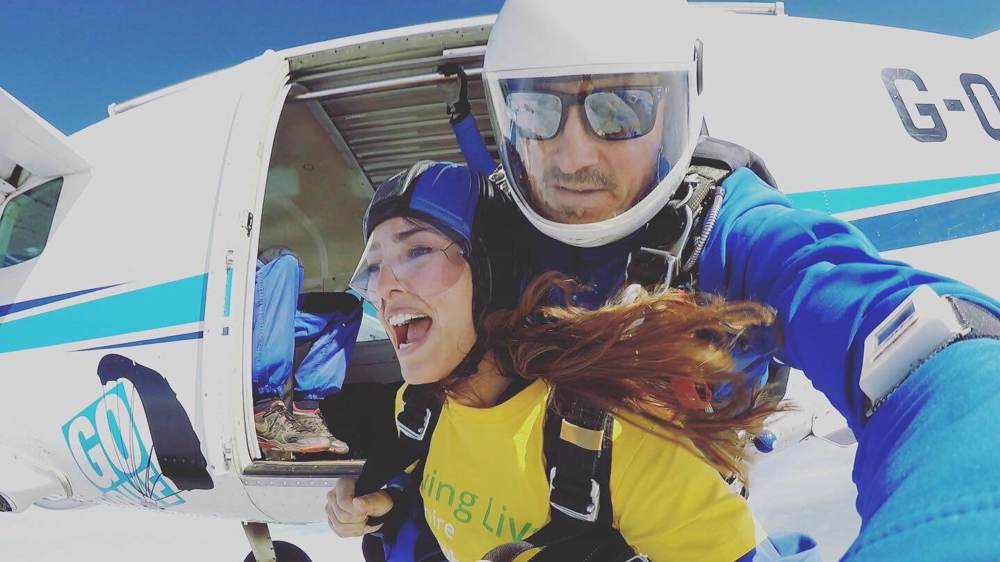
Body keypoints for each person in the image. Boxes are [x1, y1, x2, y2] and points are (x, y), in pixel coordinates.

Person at [471, 0, 1000, 559]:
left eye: (622, 107)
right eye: (536, 111)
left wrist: (956, 521)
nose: (573, 154)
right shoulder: (484, 237)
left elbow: (928, 348)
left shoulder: (726, 235)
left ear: (677, 110)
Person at [328, 161, 791, 562]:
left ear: (495, 271)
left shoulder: (615, 440)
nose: (384, 287)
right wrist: (388, 502)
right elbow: (444, 480)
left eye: (417, 251)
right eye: (374, 266)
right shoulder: (418, 407)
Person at [252, 246, 360, 455]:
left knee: (346, 310)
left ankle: (307, 410)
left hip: (271, 321)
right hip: (243, 317)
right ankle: (264, 412)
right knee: (282, 259)